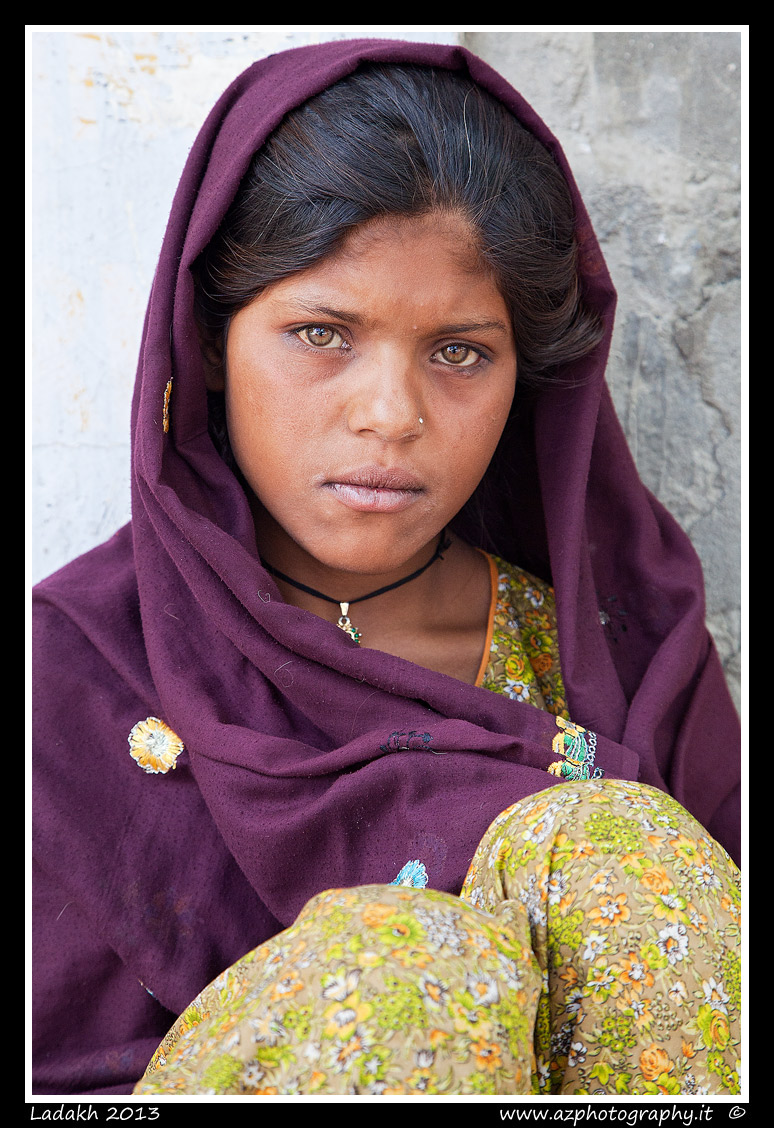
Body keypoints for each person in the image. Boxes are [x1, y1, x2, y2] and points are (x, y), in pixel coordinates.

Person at [31, 38, 741, 1098]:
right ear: (212, 345)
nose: (391, 416)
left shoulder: (610, 660)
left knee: (614, 840)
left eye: (460, 352)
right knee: (407, 965)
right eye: (322, 333)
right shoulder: (75, 668)